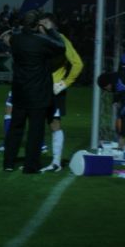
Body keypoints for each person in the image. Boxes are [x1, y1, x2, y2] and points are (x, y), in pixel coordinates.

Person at [3, 10, 65, 173]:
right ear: (38, 24)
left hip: (20, 91)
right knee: (35, 131)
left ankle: (8, 163)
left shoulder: (16, 39)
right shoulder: (41, 41)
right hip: (38, 92)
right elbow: (61, 47)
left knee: (15, 128)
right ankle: (30, 166)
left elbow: (9, 38)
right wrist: (50, 29)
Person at [39, 12, 83, 173]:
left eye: (44, 23)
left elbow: (77, 63)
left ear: (52, 25)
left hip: (53, 89)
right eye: (40, 23)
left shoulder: (61, 40)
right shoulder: (38, 39)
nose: (41, 26)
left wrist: (65, 83)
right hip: (37, 87)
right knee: (35, 123)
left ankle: (56, 162)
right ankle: (33, 160)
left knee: (54, 123)